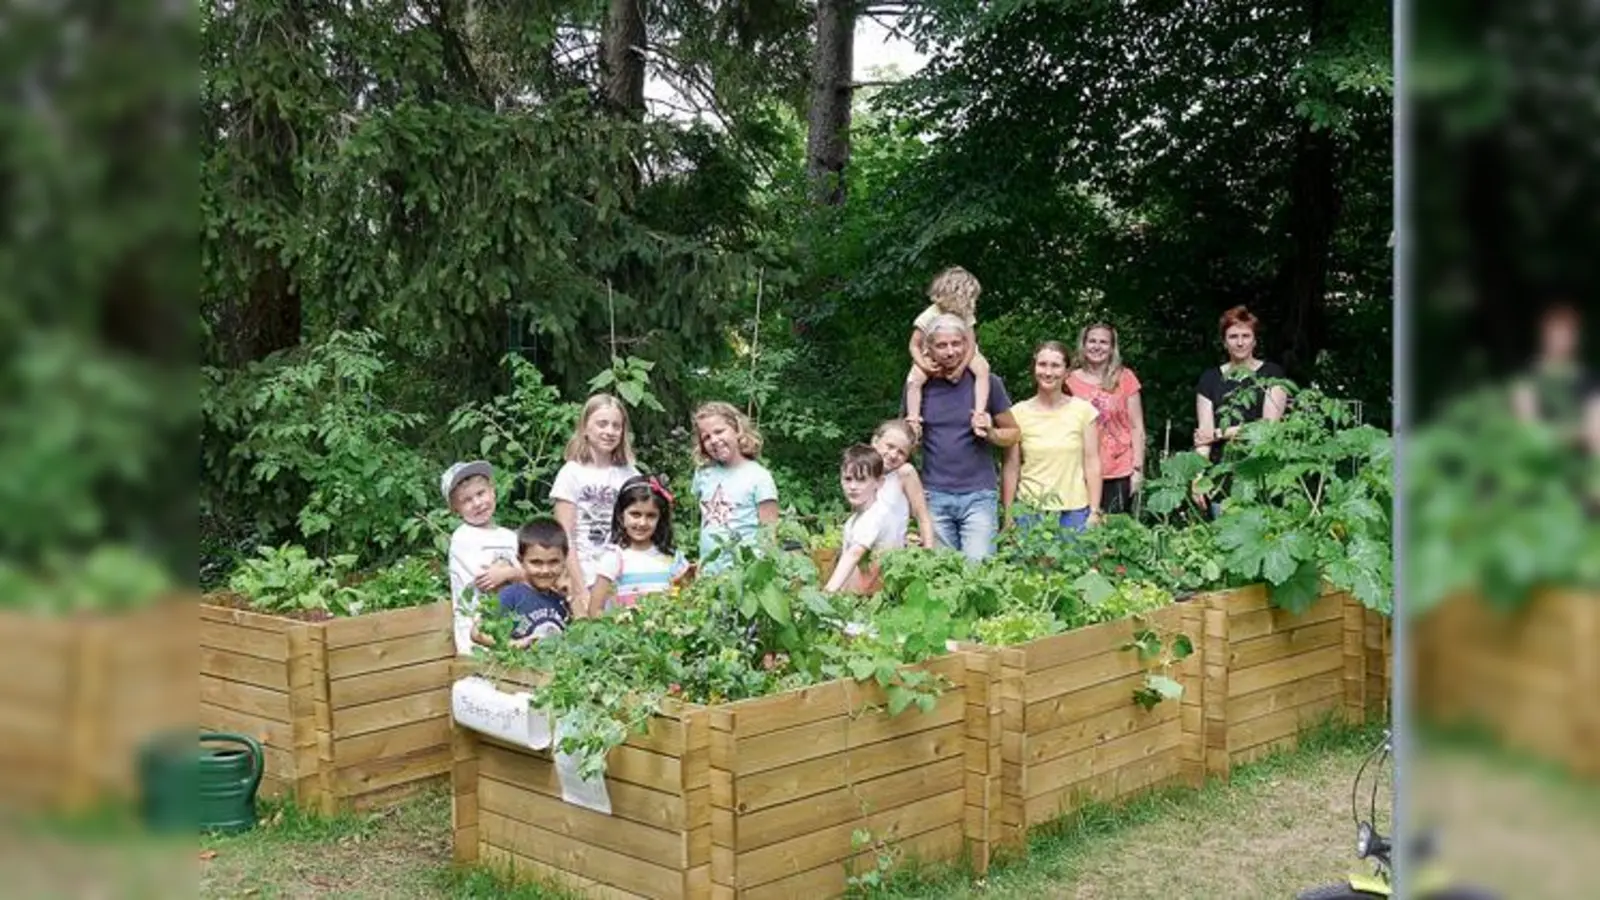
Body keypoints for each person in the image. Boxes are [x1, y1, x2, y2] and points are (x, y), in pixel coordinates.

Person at [900, 314, 1021, 562]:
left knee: (978, 570)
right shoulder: (918, 386)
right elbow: (904, 441)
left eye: (956, 343)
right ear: (928, 348)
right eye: (941, 345)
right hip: (933, 494)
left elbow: (1014, 434)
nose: (950, 351)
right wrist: (913, 438)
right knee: (941, 573)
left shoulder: (988, 383)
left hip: (979, 495)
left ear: (968, 345)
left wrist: (991, 432)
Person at [1192, 306, 1290, 516]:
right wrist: (1198, 477)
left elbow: (1268, 428)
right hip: (1222, 477)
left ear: (1255, 340)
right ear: (1224, 341)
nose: (1240, 342)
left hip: (1263, 473)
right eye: (1233, 336)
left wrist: (1220, 433)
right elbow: (1203, 438)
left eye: (1246, 336)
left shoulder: (1272, 375)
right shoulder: (1209, 379)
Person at [550, 394, 640, 618]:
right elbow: (564, 535)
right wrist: (579, 587)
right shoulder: (571, 473)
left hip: (622, 576)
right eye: (602, 424)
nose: (609, 431)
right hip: (584, 573)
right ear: (585, 428)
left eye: (616, 426)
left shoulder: (630, 474)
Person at [1002, 341, 1104, 533]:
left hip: (1074, 511)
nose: (1048, 372)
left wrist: (1094, 510)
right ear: (1034, 368)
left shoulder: (1084, 411)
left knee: (1077, 564)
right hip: (1030, 511)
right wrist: (1009, 513)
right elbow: (1011, 466)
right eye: (1042, 365)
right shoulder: (1017, 413)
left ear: (1067, 372)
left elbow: (1092, 462)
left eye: (1056, 366)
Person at [441, 460, 524, 656]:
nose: (477, 503)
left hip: (513, 629)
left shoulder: (509, 537)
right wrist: (514, 574)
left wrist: (510, 572)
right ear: (455, 509)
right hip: (477, 639)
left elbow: (529, 576)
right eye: (467, 500)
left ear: (492, 491)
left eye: (481, 493)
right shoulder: (464, 537)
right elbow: (488, 581)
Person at [1066, 323, 1147, 516]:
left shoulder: (1125, 378)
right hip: (1080, 468)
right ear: (1083, 345)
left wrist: (1138, 468)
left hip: (1119, 468)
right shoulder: (1068, 381)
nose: (1097, 346)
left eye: (1104, 342)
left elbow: (1137, 427)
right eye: (1092, 341)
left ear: (1112, 348)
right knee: (1082, 532)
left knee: (1115, 532)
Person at [690, 401, 779, 573]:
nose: (714, 440)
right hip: (709, 574)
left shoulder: (759, 477)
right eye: (706, 437)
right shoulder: (703, 474)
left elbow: (769, 535)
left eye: (719, 431)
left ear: (737, 429)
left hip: (745, 574)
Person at [905, 266, 994, 438]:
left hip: (963, 352)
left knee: (983, 369)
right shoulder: (930, 315)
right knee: (914, 379)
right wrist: (925, 366)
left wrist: (960, 369)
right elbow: (913, 345)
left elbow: (970, 342)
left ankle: (979, 414)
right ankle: (914, 420)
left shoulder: (965, 314)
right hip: (931, 354)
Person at [590, 475, 692, 612]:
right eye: (635, 514)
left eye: (651, 516)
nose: (642, 523)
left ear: (660, 518)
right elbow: (595, 610)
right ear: (621, 516)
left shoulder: (673, 559)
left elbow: (688, 602)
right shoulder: (614, 558)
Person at [1511, 301, 1600, 456]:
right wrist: (1574, 434)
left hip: (1586, 456)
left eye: (1568, 334)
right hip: (1542, 459)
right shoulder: (1528, 379)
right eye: (1557, 334)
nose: (1562, 341)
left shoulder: (1589, 378)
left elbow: (1596, 424)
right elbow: (1529, 430)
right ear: (1545, 336)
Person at [472, 519, 570, 650]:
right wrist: (514, 645)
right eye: (536, 562)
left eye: (553, 562)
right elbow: (477, 633)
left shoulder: (561, 600)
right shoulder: (512, 595)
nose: (545, 570)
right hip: (516, 668)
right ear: (521, 561)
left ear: (564, 560)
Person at [824, 445, 901, 594]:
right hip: (854, 599)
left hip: (873, 602)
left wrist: (827, 594)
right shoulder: (854, 520)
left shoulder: (876, 516)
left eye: (861, 480)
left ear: (879, 482)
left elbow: (854, 554)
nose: (853, 486)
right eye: (848, 479)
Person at [870, 419, 937, 550]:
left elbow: (923, 517)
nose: (893, 455)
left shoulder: (905, 473)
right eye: (889, 446)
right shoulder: (864, 472)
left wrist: (929, 553)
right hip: (863, 553)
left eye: (901, 452)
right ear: (875, 441)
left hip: (892, 557)